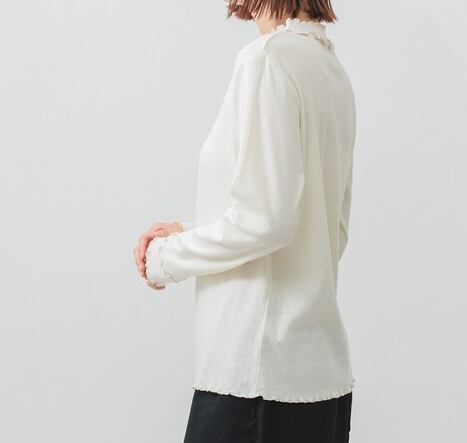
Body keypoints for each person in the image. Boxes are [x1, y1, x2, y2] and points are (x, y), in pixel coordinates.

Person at [132, 1, 356, 441]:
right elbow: (325, 231)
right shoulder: (332, 71)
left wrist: (166, 258)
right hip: (318, 381)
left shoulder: (268, 60)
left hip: (255, 379)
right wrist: (190, 233)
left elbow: (266, 221)